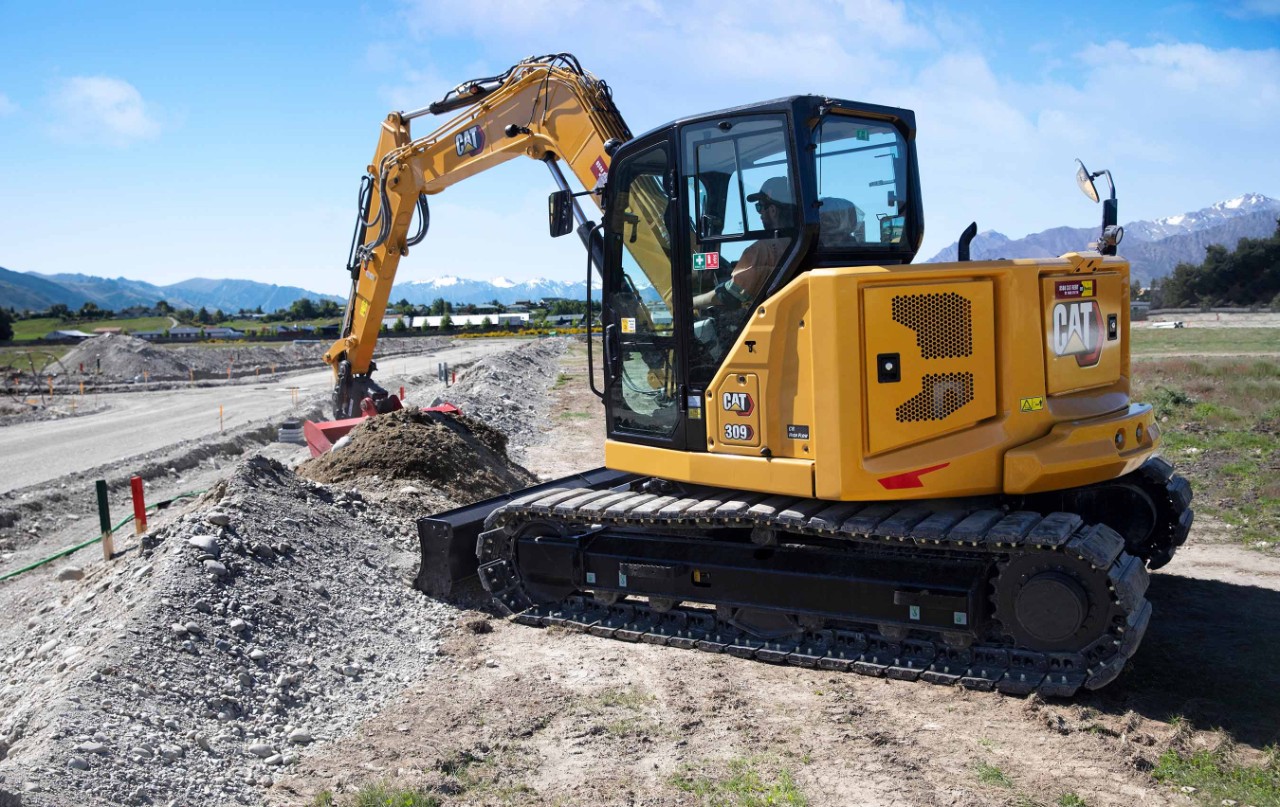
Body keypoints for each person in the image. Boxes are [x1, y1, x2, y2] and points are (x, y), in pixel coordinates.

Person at [693, 176, 795, 309]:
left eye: (759, 207)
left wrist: (692, 302)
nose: (760, 214)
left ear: (773, 210)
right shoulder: (802, 243)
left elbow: (731, 294)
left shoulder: (761, 250)